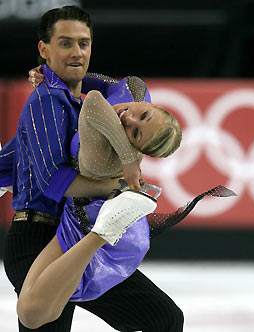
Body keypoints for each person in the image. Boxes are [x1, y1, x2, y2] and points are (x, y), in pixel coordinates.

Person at [2, 6, 185, 331]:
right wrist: (115, 188)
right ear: (43, 49)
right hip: (38, 234)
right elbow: (50, 182)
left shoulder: (85, 107)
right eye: (65, 43)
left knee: (163, 319)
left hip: (78, 228)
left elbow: (97, 91)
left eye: (83, 44)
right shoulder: (49, 101)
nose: (77, 52)